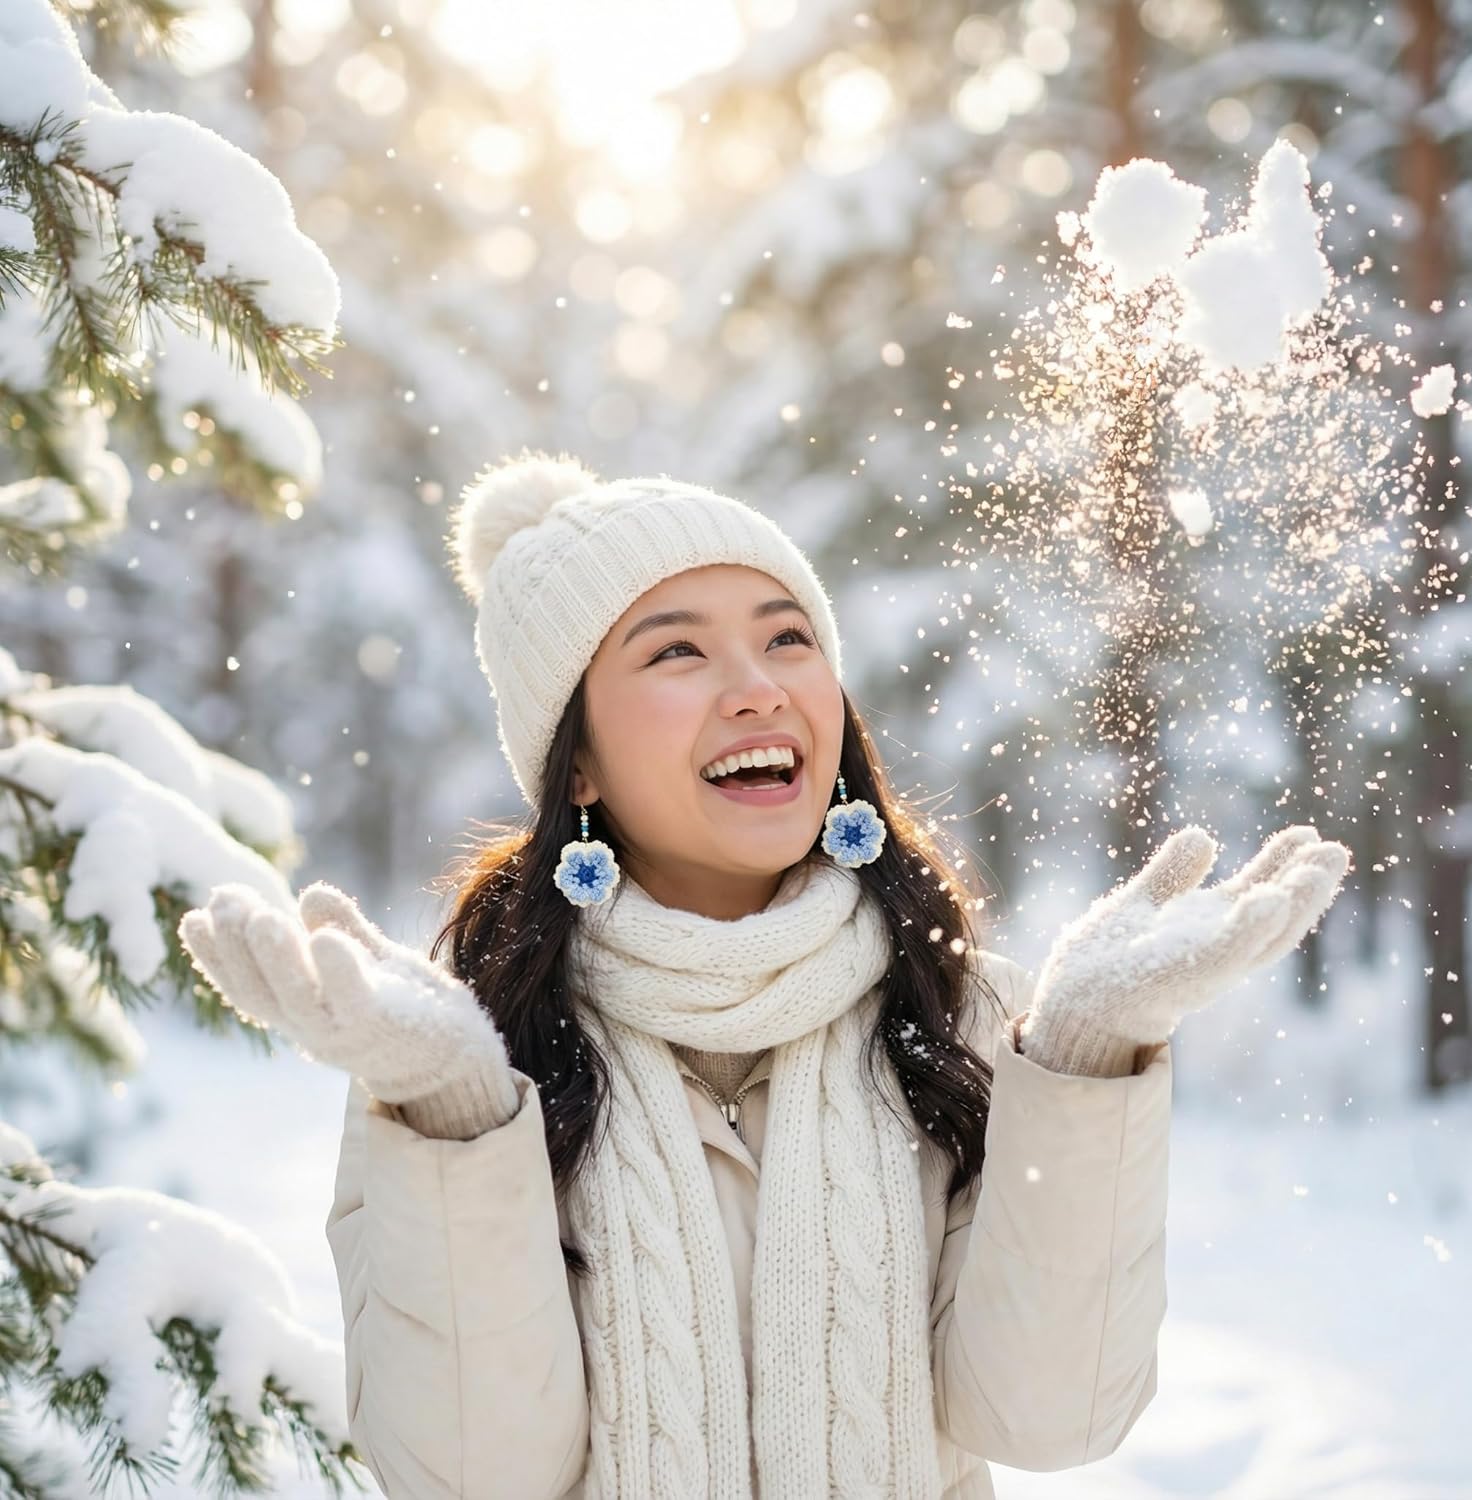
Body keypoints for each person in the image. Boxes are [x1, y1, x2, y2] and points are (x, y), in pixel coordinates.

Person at [178, 450, 1350, 1499]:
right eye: (677, 649)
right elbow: (476, 1474)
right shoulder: (465, 1048)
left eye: (789, 637)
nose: (759, 686)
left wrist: (1091, 1060)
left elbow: (1051, 1419)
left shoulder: (952, 1007)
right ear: (574, 757)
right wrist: (449, 1114)